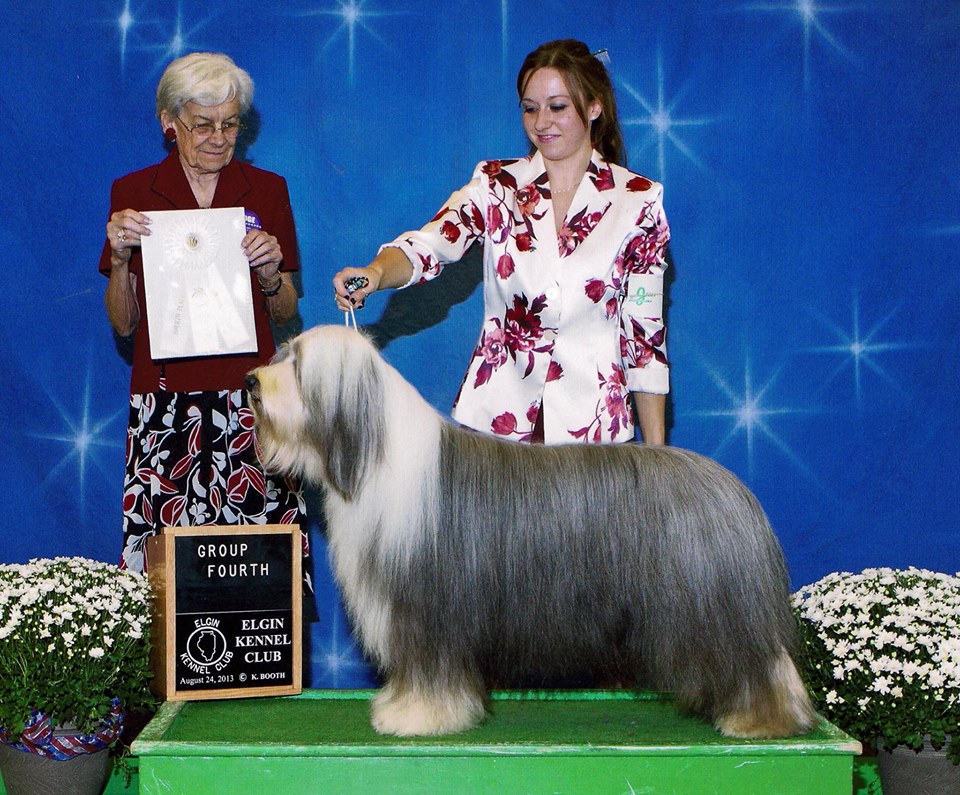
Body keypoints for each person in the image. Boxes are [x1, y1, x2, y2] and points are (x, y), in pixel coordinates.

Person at [334, 39, 670, 445]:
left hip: (594, 437)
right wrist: (374, 273)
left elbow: (644, 337)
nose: (541, 122)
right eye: (530, 108)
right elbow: (430, 244)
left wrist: (657, 458)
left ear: (595, 106)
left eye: (557, 106)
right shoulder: (495, 185)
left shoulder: (639, 201)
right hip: (496, 429)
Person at [100, 52, 308, 576]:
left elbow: (286, 312)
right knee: (167, 579)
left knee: (262, 574)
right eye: (202, 124)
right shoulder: (132, 195)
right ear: (169, 123)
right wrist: (122, 257)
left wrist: (269, 273)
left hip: (254, 405)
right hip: (163, 405)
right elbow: (124, 325)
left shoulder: (269, 191)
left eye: (230, 123)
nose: (218, 136)